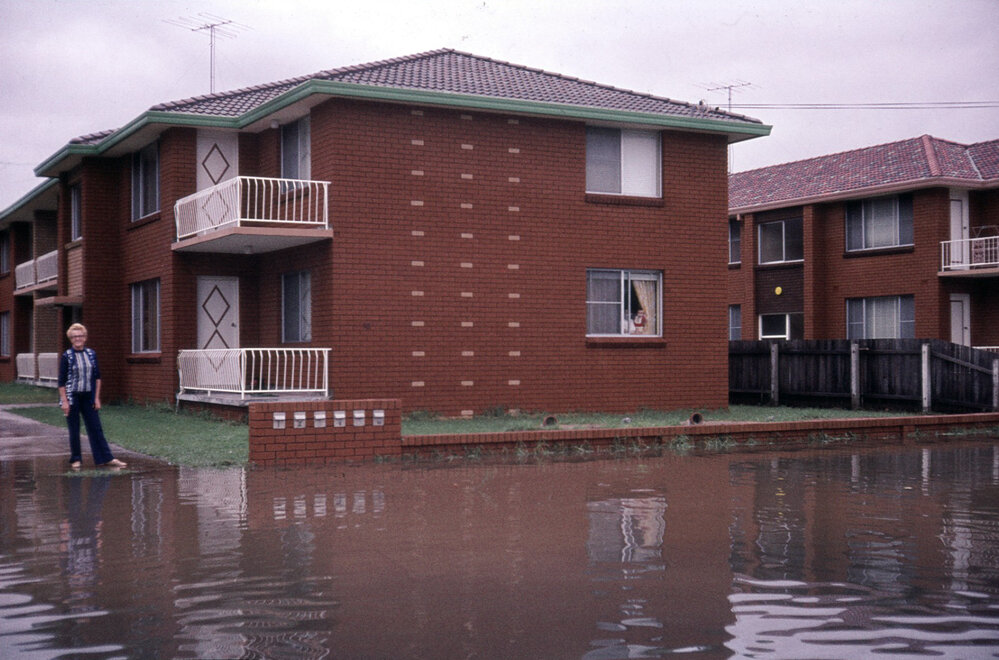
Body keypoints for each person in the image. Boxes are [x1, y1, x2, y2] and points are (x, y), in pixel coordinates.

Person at [57, 323, 126, 469]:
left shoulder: (91, 354)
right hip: (72, 396)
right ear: (70, 338)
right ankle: (76, 459)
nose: (78, 339)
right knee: (74, 428)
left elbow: (97, 378)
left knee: (96, 427)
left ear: (85, 337)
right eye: (74, 336)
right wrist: (64, 401)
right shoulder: (67, 356)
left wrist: (96, 398)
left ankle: (106, 458)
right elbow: (61, 381)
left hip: (88, 396)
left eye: (80, 336)